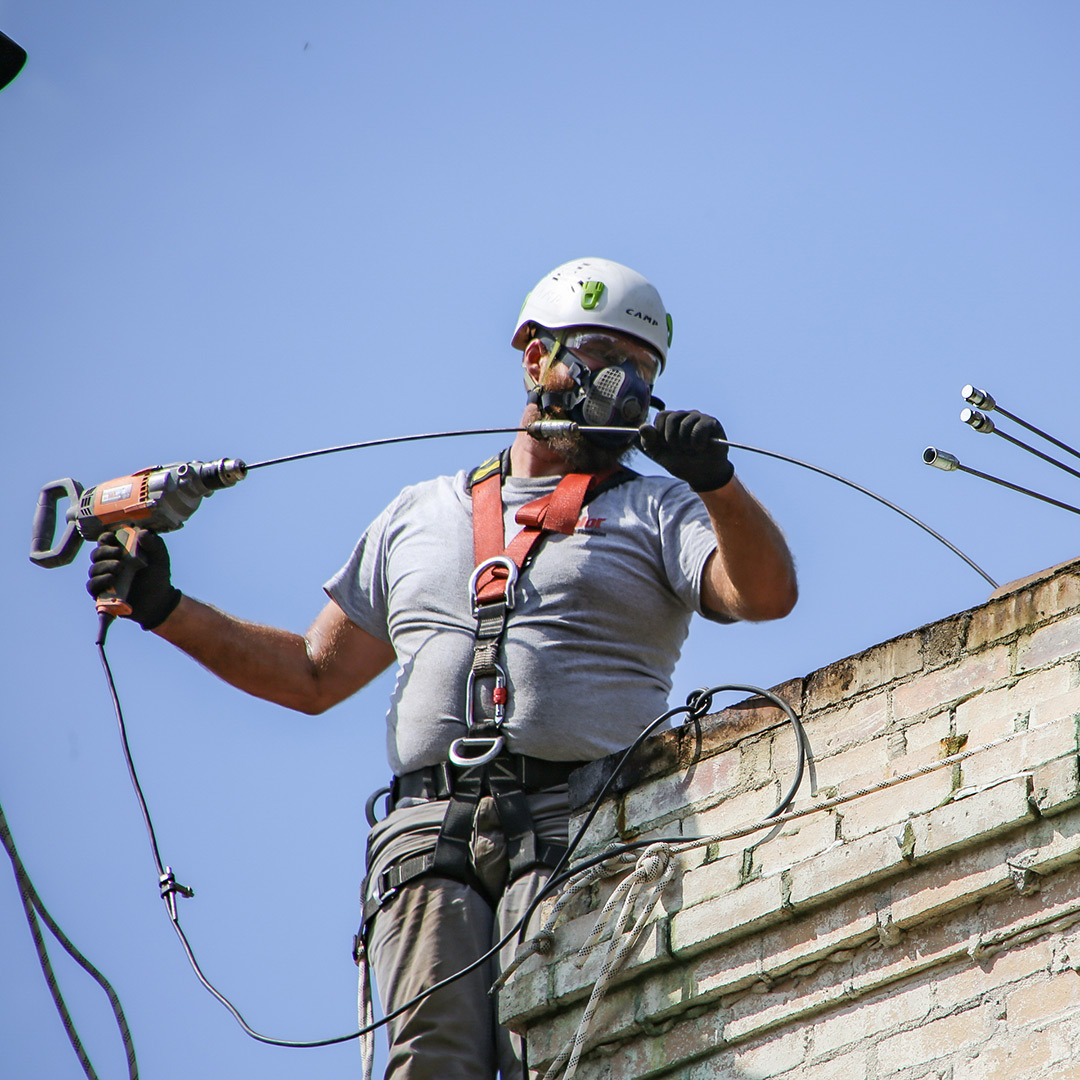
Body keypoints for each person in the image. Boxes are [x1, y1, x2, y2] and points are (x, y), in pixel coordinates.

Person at [87, 257, 797, 1079]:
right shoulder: (419, 513)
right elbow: (312, 676)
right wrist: (166, 608)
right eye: (600, 355)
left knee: (566, 1048)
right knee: (430, 1059)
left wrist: (718, 486)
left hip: (580, 824)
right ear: (535, 357)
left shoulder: (656, 509)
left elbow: (765, 594)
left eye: (642, 368)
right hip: (431, 834)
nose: (624, 383)